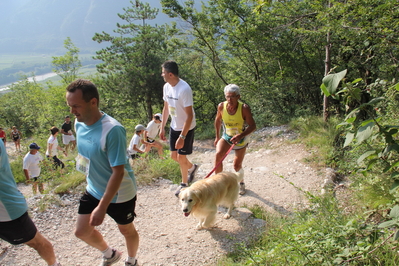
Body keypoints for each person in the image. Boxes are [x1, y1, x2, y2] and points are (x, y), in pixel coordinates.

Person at [66, 79, 139, 266]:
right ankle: (109, 254)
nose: (72, 111)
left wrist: (102, 206)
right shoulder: (78, 123)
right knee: (81, 231)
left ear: (93, 102)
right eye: (70, 106)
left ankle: (132, 261)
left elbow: (118, 172)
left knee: (126, 230)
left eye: (76, 106)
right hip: (93, 188)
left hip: (119, 194)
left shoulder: (113, 130)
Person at [0, 140, 61, 266]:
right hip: (30, 178)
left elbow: (42, 160)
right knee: (35, 185)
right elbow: (25, 168)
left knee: (37, 242)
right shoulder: (27, 157)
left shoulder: (36, 154)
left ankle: (54, 264)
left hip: (6, 212)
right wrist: (27, 179)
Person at [159, 60, 199, 197]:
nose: (161, 74)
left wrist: (182, 137)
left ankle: (184, 185)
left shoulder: (184, 89)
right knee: (173, 156)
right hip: (174, 126)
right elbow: (166, 108)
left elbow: (189, 116)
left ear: (170, 74)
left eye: (163, 72)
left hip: (186, 127)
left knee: (181, 158)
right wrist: (162, 127)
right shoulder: (166, 87)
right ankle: (193, 168)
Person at [214, 84, 256, 195]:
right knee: (218, 155)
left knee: (236, 165)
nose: (229, 99)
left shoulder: (244, 108)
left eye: (232, 96)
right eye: (227, 96)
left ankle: (241, 183)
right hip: (227, 136)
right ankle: (219, 184)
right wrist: (217, 137)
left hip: (241, 138)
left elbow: (253, 126)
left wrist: (240, 136)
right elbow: (218, 120)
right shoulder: (221, 106)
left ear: (238, 97)